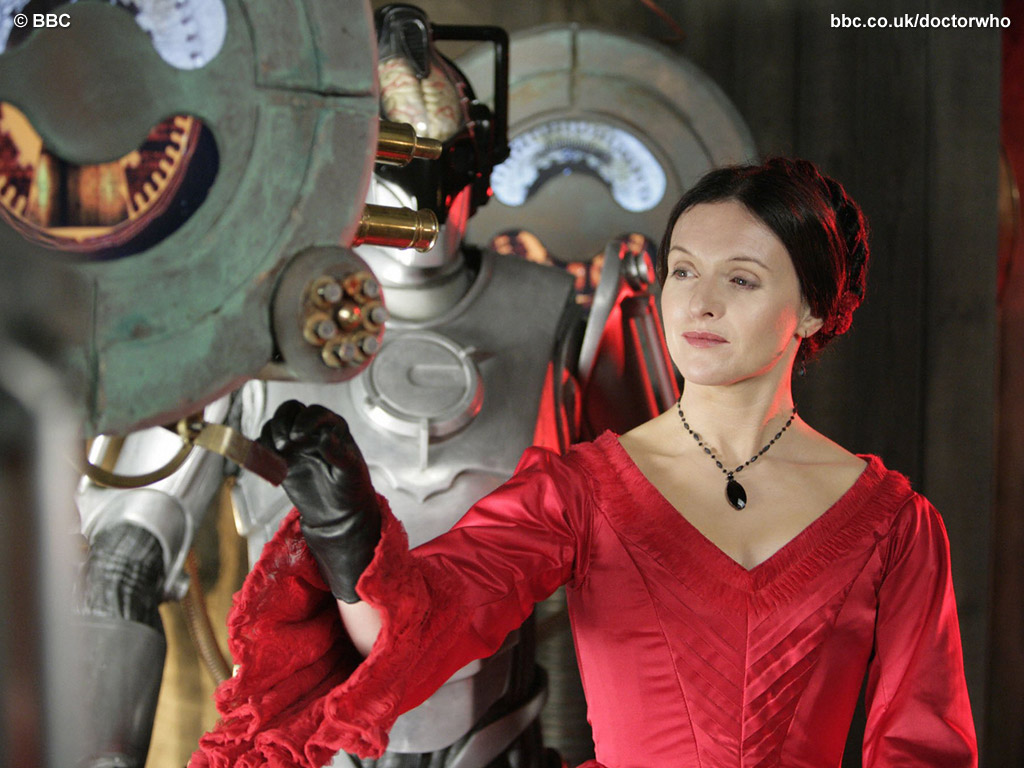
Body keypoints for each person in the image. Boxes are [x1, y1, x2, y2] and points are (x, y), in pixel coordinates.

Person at [191, 158, 978, 768]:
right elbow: (417, 633)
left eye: (740, 278)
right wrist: (345, 525)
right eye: (683, 270)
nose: (699, 302)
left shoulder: (895, 526)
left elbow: (924, 749)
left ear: (810, 309)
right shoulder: (581, 492)